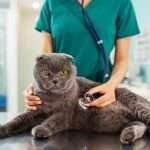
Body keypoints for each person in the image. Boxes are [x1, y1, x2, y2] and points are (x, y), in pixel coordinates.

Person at [24, 0, 140, 110]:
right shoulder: (52, 2)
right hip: (58, 96)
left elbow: (122, 59)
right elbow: (46, 60)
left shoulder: (121, 3)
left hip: (99, 95)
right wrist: (37, 86)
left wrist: (111, 86)